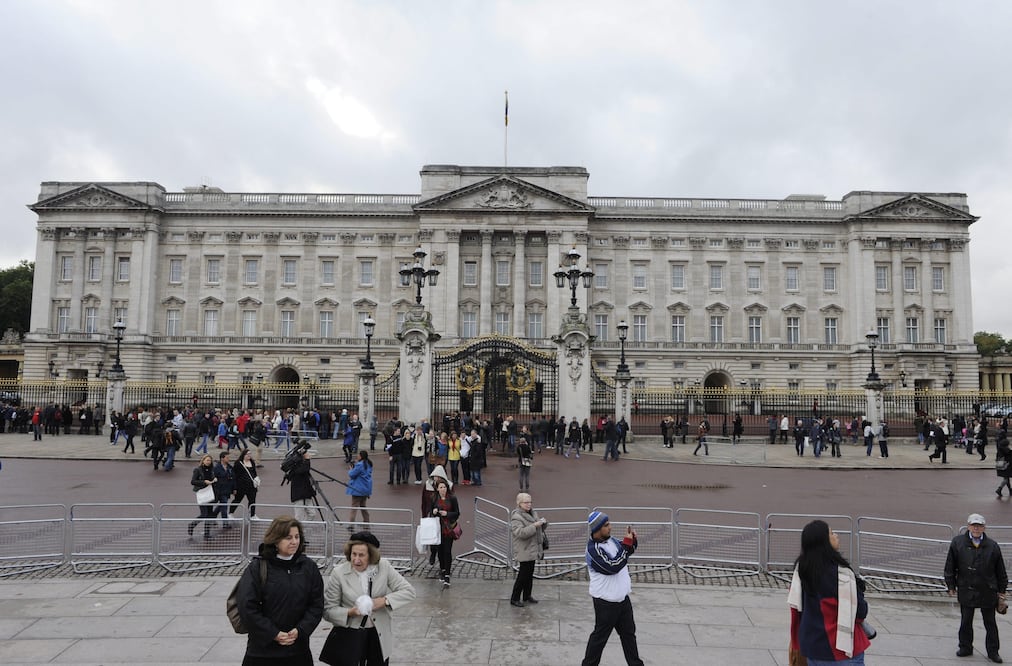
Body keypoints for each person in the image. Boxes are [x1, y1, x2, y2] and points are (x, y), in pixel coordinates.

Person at [236, 516, 324, 666]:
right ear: (276, 540)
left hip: (298, 650)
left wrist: (301, 630)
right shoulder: (257, 568)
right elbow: (247, 607)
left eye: (297, 537)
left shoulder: (308, 567)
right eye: (288, 537)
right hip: (262, 652)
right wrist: (273, 634)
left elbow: (316, 605)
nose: (294, 542)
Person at [322, 531, 415, 666]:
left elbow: (409, 591)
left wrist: (383, 601)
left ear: (371, 555)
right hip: (350, 636)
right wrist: (350, 612)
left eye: (361, 555)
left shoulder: (384, 566)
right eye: (354, 554)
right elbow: (328, 610)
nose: (356, 560)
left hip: (378, 635)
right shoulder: (339, 573)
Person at [788, 519, 871, 664]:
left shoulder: (801, 571)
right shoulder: (842, 575)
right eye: (832, 533)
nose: (836, 535)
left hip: (812, 647)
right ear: (824, 542)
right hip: (841, 650)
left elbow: (797, 611)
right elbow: (860, 612)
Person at [944, 513, 1008, 662]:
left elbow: (1000, 570)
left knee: (990, 623)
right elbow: (950, 566)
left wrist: (1002, 590)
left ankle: (993, 651)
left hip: (988, 590)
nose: (976, 528)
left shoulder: (993, 546)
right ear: (968, 526)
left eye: (979, 526)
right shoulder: (957, 543)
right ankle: (965, 647)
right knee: (966, 621)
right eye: (974, 525)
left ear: (984, 528)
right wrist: (950, 585)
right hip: (967, 588)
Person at [582, 511, 643, 666]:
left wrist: (632, 541)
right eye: (606, 525)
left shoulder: (613, 541)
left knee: (629, 635)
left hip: (622, 599)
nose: (611, 527)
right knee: (599, 639)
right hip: (606, 603)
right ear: (597, 529)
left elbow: (625, 552)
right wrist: (627, 546)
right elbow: (612, 567)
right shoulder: (592, 550)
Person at [509, 492, 547, 608]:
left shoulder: (533, 512)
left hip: (533, 548)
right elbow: (520, 533)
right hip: (524, 549)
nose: (529, 504)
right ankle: (514, 598)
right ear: (519, 503)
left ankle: (527, 595)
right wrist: (535, 525)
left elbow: (538, 529)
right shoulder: (516, 517)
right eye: (526, 502)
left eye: (530, 502)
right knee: (523, 575)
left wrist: (543, 524)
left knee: (529, 574)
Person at [428, 477, 460, 587]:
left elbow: (457, 513)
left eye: (444, 487)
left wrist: (447, 514)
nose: (443, 489)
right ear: (437, 489)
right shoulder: (434, 499)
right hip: (438, 528)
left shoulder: (452, 498)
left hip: (448, 528)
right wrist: (434, 511)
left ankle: (447, 574)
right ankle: (442, 569)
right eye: (441, 487)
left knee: (447, 551)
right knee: (440, 551)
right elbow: (431, 512)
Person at [188, 454, 217, 540]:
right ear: (203, 460)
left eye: (210, 460)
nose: (209, 462)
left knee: (210, 514)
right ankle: (192, 525)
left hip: (210, 493)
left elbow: (213, 478)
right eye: (207, 460)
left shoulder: (212, 470)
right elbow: (193, 481)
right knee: (204, 514)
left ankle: (207, 533)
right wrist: (204, 482)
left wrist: (214, 480)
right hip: (202, 493)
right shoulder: (197, 470)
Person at [288, 446, 318, 524]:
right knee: (299, 517)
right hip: (298, 495)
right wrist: (307, 459)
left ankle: (302, 528)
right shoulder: (295, 466)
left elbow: (305, 471)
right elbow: (304, 469)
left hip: (306, 493)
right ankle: (298, 530)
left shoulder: (302, 464)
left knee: (312, 514)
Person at [346, 449, 373, 529]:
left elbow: (352, 474)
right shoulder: (369, 464)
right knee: (363, 506)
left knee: (354, 508)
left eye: (358, 455)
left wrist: (351, 469)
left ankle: (351, 525)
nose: (357, 456)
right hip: (365, 489)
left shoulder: (359, 465)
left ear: (361, 456)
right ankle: (366, 522)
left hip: (358, 489)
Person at [233, 447, 260, 518]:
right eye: (247, 454)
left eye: (250, 454)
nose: (249, 455)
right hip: (241, 486)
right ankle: (230, 513)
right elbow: (235, 475)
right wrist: (235, 487)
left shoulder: (252, 462)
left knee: (252, 501)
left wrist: (256, 480)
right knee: (237, 500)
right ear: (243, 455)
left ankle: (252, 515)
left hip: (251, 486)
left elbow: (254, 473)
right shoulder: (238, 463)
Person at [213, 451, 236, 527]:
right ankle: (225, 523)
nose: (229, 459)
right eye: (227, 457)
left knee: (222, 505)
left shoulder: (230, 467)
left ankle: (213, 516)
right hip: (220, 490)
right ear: (222, 458)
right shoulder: (216, 468)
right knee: (224, 505)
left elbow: (233, 479)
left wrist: (234, 489)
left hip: (227, 490)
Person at [997, 433, 1012, 498]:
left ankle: (1010, 490)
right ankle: (999, 489)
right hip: (1007, 465)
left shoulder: (999, 450)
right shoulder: (1007, 451)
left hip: (1000, 465)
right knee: (1006, 479)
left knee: (1006, 478)